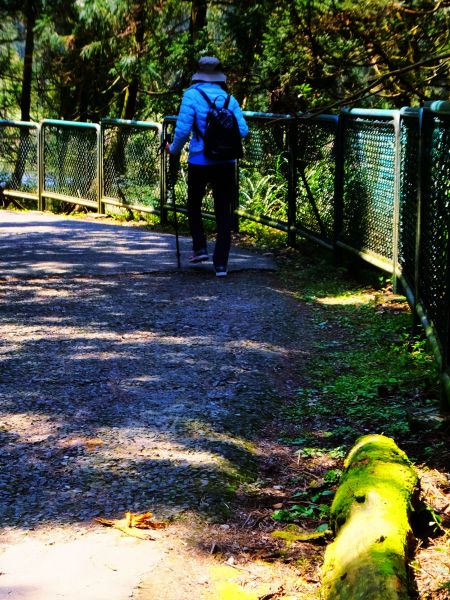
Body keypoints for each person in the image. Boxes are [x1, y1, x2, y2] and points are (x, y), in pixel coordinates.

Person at [166, 56, 249, 277]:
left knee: (193, 204)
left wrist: (172, 150)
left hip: (199, 161)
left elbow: (183, 131)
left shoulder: (191, 95)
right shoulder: (229, 99)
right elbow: (243, 131)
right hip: (225, 163)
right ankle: (221, 264)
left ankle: (200, 248)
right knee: (223, 211)